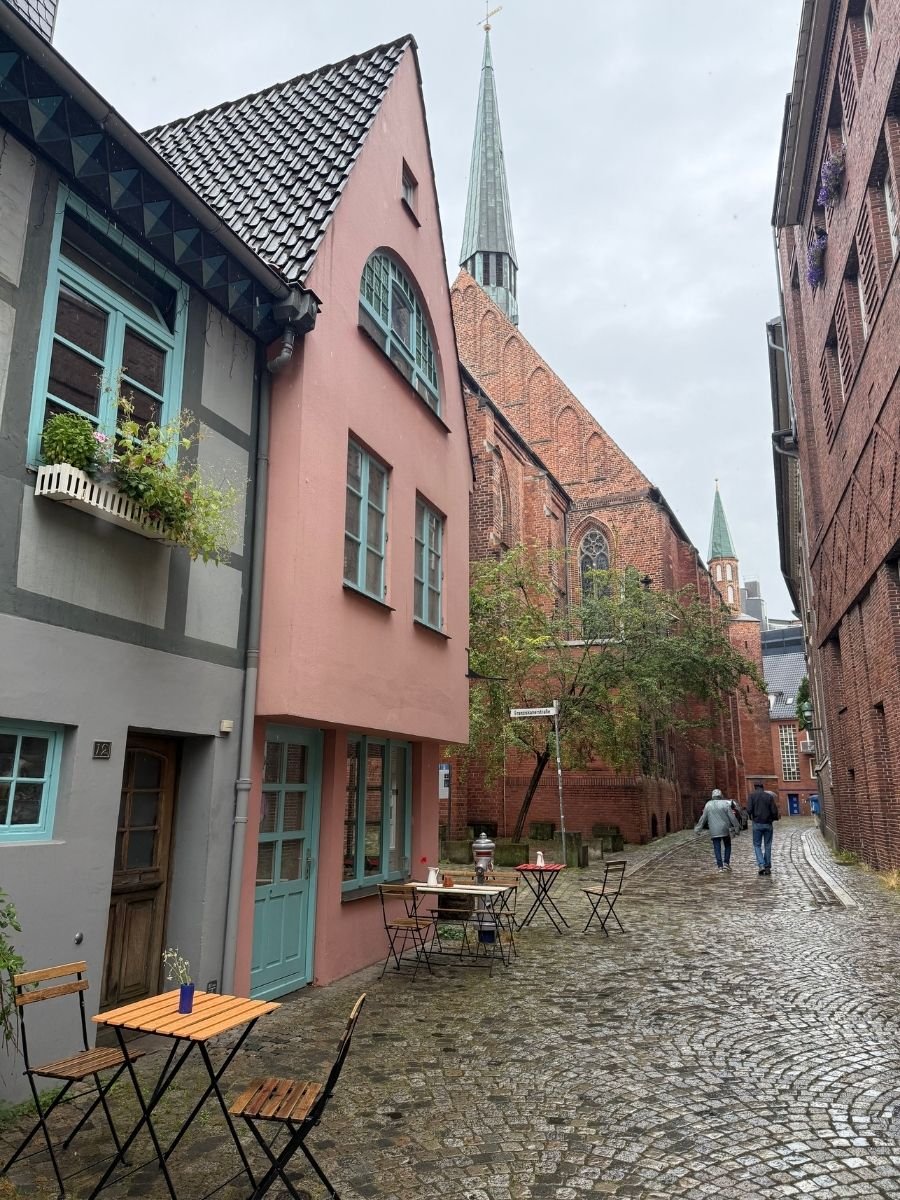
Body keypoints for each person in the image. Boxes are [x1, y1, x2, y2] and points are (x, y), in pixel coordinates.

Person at [694, 788, 741, 872]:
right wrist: (736, 828)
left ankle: (720, 866)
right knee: (727, 845)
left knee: (717, 847)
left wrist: (698, 829)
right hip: (725, 829)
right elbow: (732, 817)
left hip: (714, 830)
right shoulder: (725, 804)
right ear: (720, 795)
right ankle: (726, 863)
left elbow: (703, 818)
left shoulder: (708, 805)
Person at [747, 780, 779, 876]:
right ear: (762, 787)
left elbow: (749, 809)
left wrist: (751, 816)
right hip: (768, 824)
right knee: (767, 845)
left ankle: (761, 865)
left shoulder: (752, 796)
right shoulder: (769, 797)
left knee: (757, 845)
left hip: (757, 823)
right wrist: (772, 819)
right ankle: (767, 866)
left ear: (755, 787)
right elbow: (774, 811)